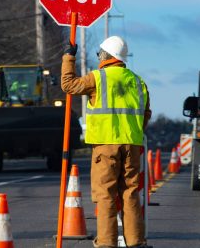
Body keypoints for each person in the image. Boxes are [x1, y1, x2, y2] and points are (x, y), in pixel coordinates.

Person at [61, 36, 152, 248]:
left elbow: (68, 85)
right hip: (131, 145)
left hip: (105, 146)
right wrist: (134, 134)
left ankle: (106, 243)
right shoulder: (138, 81)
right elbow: (146, 113)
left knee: (106, 196)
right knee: (130, 195)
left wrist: (68, 57)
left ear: (105, 55)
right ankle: (136, 242)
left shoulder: (97, 78)